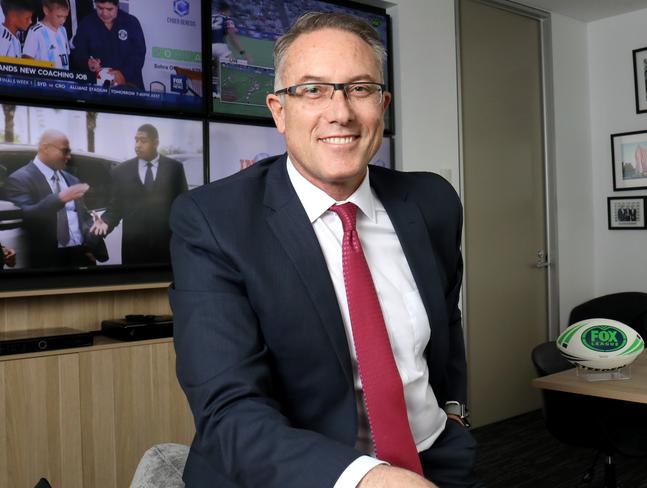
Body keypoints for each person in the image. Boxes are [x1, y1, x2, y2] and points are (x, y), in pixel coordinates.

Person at [169, 11, 482, 488]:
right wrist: (368, 479)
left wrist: (455, 414)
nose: (341, 112)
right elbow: (229, 410)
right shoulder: (214, 221)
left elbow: (447, 321)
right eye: (312, 90)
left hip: (435, 462)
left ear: (384, 105)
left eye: (360, 89)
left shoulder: (432, 201)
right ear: (278, 110)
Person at [4, 129, 107, 268]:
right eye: (65, 151)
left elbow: (83, 217)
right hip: (48, 261)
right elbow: (29, 216)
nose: (69, 157)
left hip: (82, 257)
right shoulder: (19, 179)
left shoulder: (72, 179)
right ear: (46, 148)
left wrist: (90, 245)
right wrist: (59, 199)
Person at [90, 124, 187, 265]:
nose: (138, 145)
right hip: (134, 251)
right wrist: (104, 223)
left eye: (143, 141)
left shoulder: (175, 168)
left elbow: (183, 206)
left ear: (156, 142)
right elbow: (115, 209)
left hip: (167, 249)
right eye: (136, 140)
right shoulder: (121, 171)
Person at [70, 0, 145, 88]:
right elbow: (78, 53)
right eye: (100, 8)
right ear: (95, 5)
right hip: (98, 89)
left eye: (109, 9)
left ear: (117, 6)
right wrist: (88, 63)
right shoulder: (86, 23)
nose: (104, 13)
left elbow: (139, 54)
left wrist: (124, 75)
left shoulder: (131, 22)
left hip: (130, 86)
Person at [22, 0, 70, 70]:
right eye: (59, 16)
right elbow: (26, 61)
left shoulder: (63, 30)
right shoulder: (36, 31)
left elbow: (66, 57)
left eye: (65, 17)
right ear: (46, 11)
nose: (63, 21)